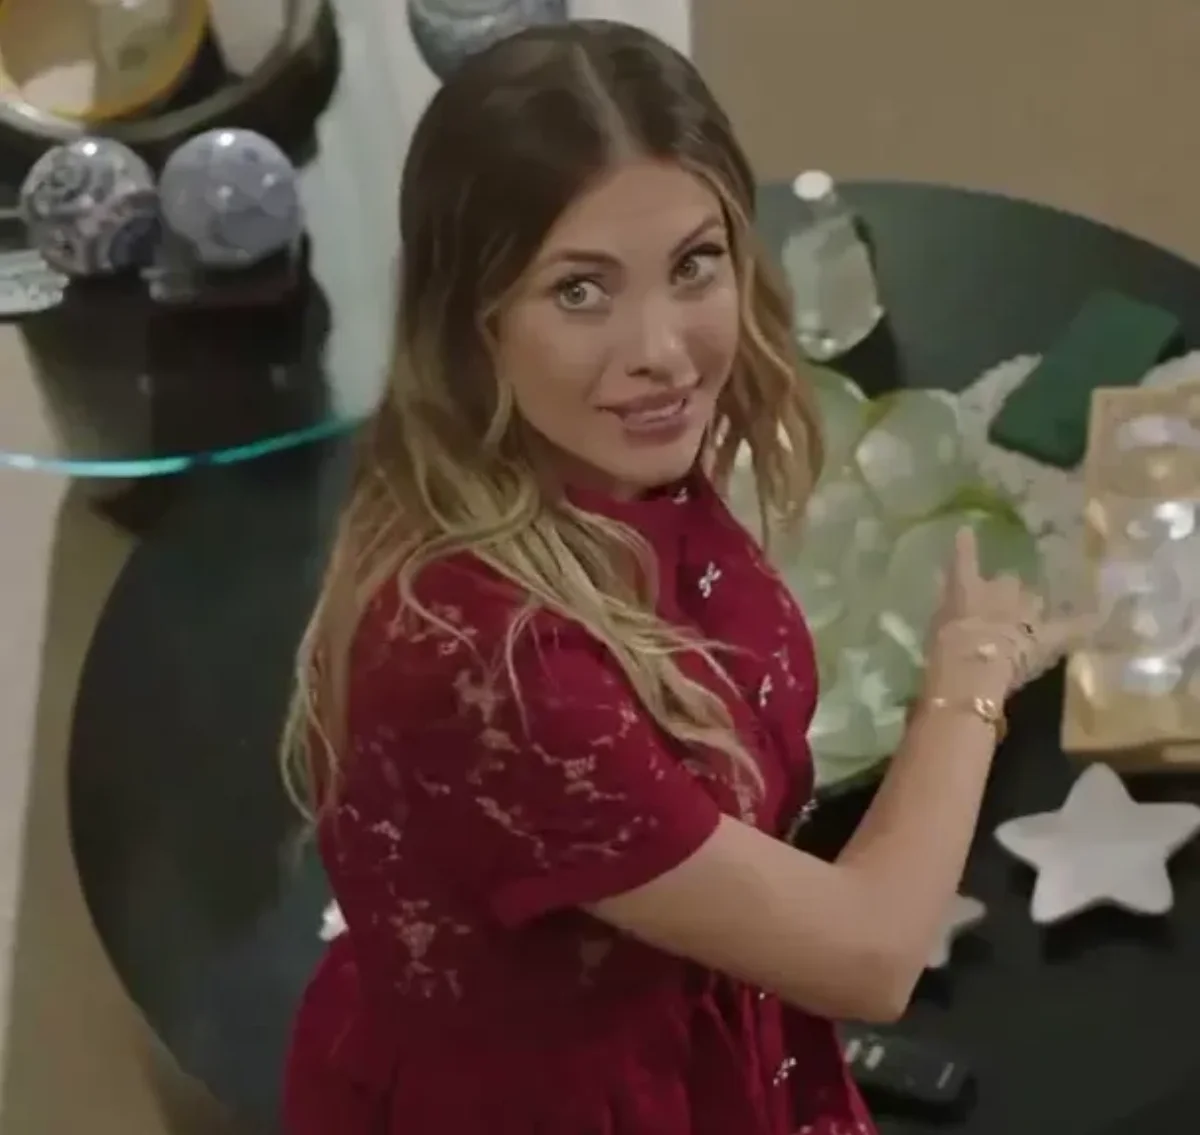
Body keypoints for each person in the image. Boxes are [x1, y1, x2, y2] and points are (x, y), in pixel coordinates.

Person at [280, 19, 1078, 1135]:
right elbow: (873, 956)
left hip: (694, 1015)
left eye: (694, 264)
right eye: (580, 291)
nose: (663, 350)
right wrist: (968, 675)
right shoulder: (494, 668)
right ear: (471, 320)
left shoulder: (586, 464)